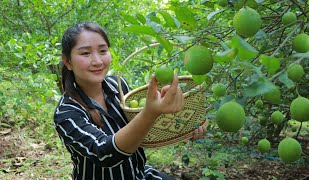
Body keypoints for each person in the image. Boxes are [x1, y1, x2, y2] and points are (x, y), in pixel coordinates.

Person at [53, 21, 206, 180]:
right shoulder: (67, 113)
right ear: (68, 61)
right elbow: (104, 154)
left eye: (103, 50)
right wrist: (150, 112)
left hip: (139, 174)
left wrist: (185, 125)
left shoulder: (117, 86)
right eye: (85, 53)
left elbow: (143, 129)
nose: (98, 61)